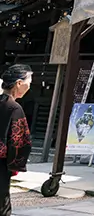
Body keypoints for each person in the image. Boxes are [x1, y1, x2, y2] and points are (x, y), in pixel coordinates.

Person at [1, 65, 32, 216]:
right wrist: (16, 163)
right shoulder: (14, 108)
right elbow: (18, 141)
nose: (30, 86)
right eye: (29, 82)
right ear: (19, 83)